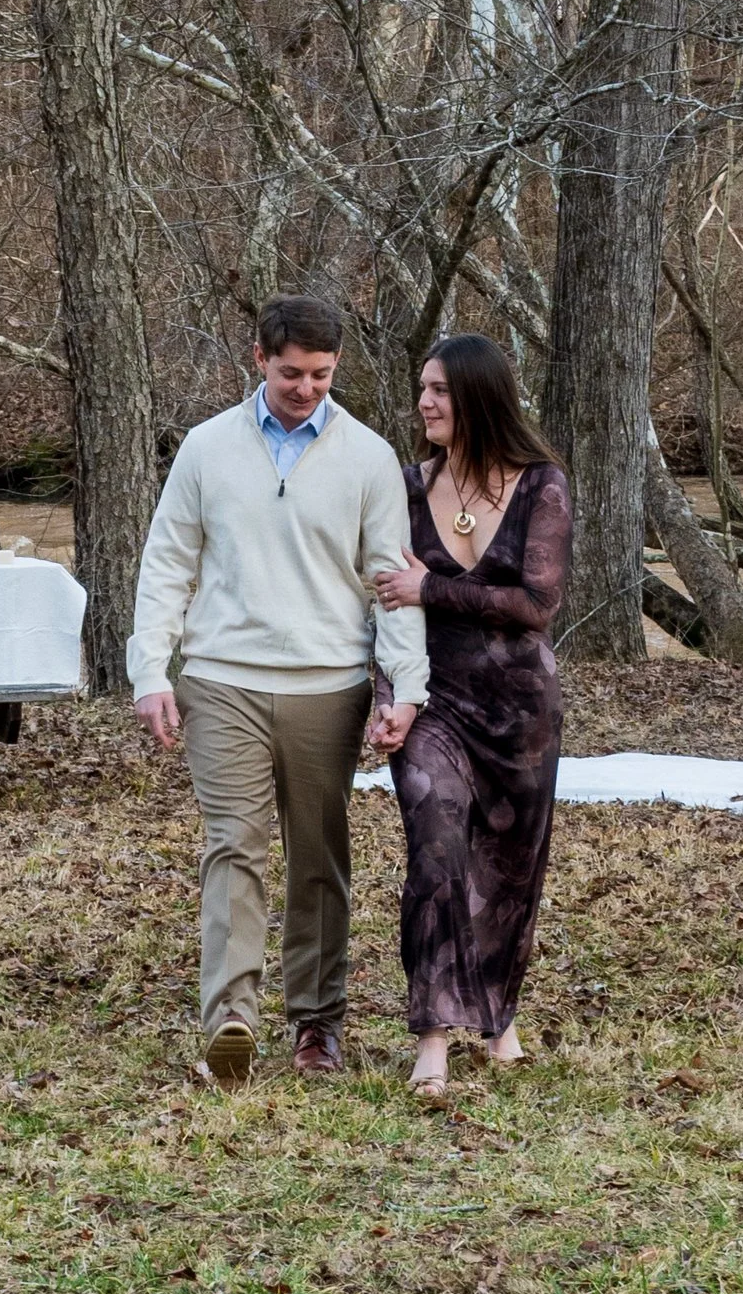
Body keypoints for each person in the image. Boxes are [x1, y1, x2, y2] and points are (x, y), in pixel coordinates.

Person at [128, 294, 427, 1084]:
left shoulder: (367, 457)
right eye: (291, 372)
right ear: (258, 359)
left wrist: (405, 688)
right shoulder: (205, 448)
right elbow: (168, 565)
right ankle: (230, 1019)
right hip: (221, 679)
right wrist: (150, 672)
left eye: (322, 375)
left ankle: (317, 1025)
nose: (305, 388)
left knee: (318, 855)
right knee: (234, 845)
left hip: (327, 685)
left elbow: (391, 583)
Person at [371, 330, 572, 1101]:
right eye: (422, 388)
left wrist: (435, 590)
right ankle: (431, 1034)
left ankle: (497, 1017)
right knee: (435, 842)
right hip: (432, 699)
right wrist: (388, 693)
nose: (425, 402)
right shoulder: (403, 487)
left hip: (521, 707)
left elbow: (535, 604)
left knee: (508, 868)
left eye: (442, 390)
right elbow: (380, 604)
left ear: (480, 397)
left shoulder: (540, 485)